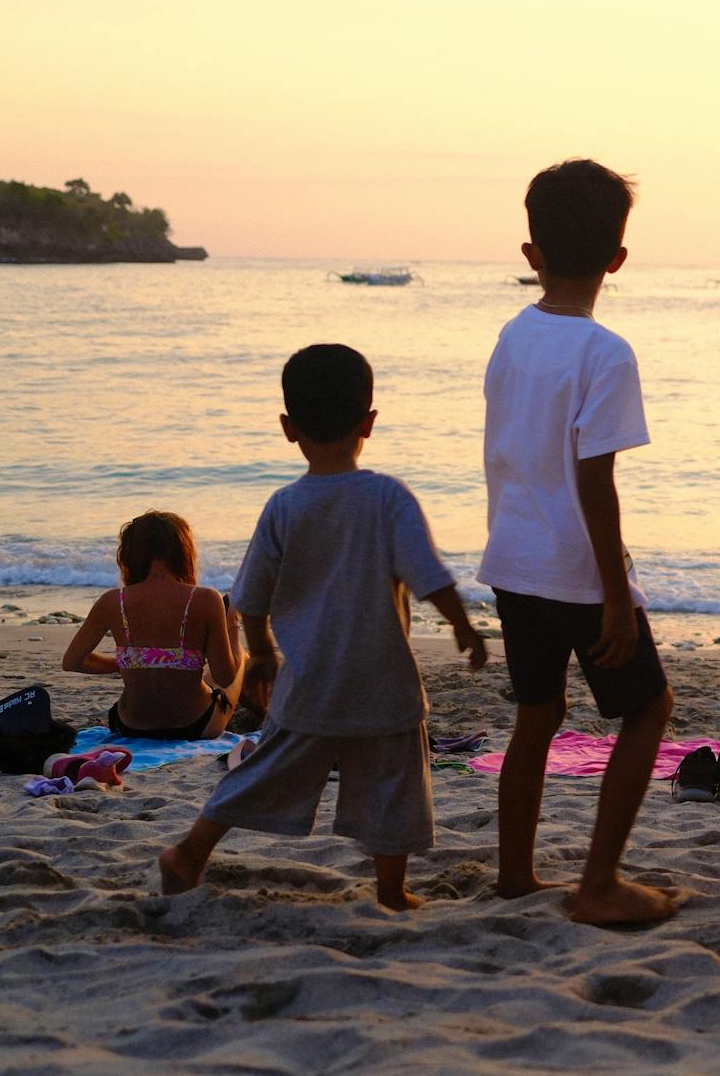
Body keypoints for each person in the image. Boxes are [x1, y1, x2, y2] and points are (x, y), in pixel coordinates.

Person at [157, 343, 487, 910]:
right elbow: (428, 575)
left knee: (265, 771)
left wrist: (262, 653)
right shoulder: (388, 497)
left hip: (309, 682)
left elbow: (252, 596)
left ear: (288, 428)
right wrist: (464, 628)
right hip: (383, 681)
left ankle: (189, 853)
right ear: (369, 423)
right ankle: (391, 891)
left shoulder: (284, 506)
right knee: (395, 782)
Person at [478, 158, 678, 925]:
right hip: (575, 570)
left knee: (537, 713)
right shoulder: (605, 353)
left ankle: (514, 874)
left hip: (513, 558)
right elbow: (595, 482)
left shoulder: (513, 335)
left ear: (531, 254)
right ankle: (597, 881)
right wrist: (615, 597)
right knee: (648, 709)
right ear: (617, 258)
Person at [61, 511, 246, 740]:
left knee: (206, 679)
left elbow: (72, 662)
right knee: (241, 659)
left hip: (128, 726)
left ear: (130, 555)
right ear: (183, 551)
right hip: (195, 725)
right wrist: (232, 623)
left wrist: (135, 662)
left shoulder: (112, 601)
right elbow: (225, 676)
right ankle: (262, 713)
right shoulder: (206, 599)